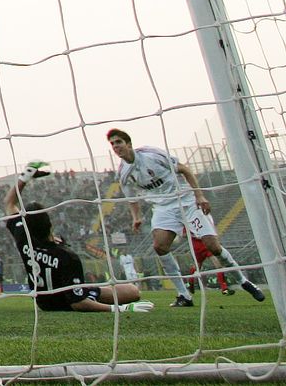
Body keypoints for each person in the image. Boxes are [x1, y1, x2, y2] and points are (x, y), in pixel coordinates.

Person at [107, 129, 264, 307]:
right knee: (160, 247)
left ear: (128, 144)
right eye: (112, 144)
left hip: (186, 201)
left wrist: (199, 196)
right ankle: (184, 295)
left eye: (118, 142)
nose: (115, 146)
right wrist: (136, 217)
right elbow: (132, 199)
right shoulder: (123, 172)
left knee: (213, 247)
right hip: (163, 208)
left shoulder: (152, 154)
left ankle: (244, 281)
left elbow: (185, 170)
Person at [3, 161, 153, 313]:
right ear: (50, 225)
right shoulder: (66, 256)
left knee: (116, 289)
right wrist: (121, 308)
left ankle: (94, 290)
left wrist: (25, 176)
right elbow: (78, 303)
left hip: (42, 302)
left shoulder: (22, 237)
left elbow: (9, 203)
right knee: (133, 292)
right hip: (65, 301)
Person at [185, 229, 234, 296]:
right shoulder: (189, 222)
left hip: (206, 245)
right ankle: (191, 282)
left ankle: (224, 288)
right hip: (200, 246)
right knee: (198, 266)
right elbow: (184, 234)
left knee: (217, 265)